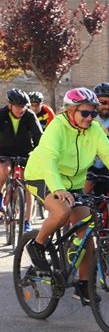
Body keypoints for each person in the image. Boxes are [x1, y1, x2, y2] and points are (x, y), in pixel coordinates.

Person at [23, 88, 109, 304]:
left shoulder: (94, 129)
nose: (89, 118)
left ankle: (83, 285)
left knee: (88, 231)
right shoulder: (57, 126)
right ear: (71, 111)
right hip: (43, 176)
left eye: (93, 113)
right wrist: (57, 188)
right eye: (84, 113)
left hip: (73, 184)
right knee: (62, 211)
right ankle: (37, 245)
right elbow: (49, 159)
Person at [0, 88, 44, 231]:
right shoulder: (1, 115)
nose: (21, 109)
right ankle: (0, 196)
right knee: (4, 169)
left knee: (27, 184)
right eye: (18, 106)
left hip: (25, 153)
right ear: (10, 105)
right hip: (4, 152)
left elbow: (40, 138)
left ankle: (27, 221)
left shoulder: (30, 116)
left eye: (24, 106)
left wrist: (39, 154)